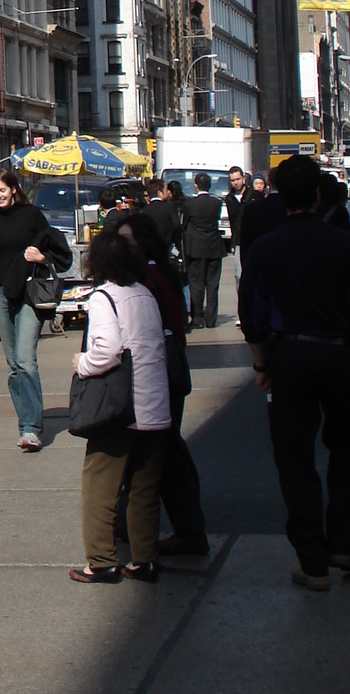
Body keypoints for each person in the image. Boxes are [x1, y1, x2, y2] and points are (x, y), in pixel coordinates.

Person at [239, 153, 350, 591]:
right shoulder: (344, 244)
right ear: (320, 194)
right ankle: (344, 540)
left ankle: (313, 559)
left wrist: (261, 364)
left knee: (295, 457)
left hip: (290, 357)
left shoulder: (267, 248)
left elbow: (252, 311)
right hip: (342, 354)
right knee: (346, 450)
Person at [69, 230, 171, 584]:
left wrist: (82, 362)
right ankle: (145, 559)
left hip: (120, 407)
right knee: (144, 488)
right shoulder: (145, 293)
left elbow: (108, 350)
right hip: (155, 403)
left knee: (100, 482)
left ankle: (101, 560)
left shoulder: (103, 298)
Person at [120, 214, 209, 557]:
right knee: (165, 449)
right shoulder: (161, 274)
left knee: (164, 451)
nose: (123, 249)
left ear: (142, 244)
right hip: (171, 368)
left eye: (127, 242)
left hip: (161, 372)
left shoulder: (149, 278)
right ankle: (178, 525)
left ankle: (185, 527)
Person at [0, 168, 71, 452]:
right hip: (1, 293)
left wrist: (41, 256)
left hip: (29, 292)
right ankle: (26, 421)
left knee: (26, 359)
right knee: (14, 366)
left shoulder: (31, 217)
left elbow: (60, 254)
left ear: (14, 189)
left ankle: (31, 429)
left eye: (2, 190)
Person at [181, 173, 224, 330]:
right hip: (214, 246)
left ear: (196, 185)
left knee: (196, 283)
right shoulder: (216, 203)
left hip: (196, 248)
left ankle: (198, 316)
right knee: (212, 283)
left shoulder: (190, 204)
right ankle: (211, 318)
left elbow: (185, 224)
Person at [224, 167, 252, 290]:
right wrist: (233, 243)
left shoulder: (252, 195)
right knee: (239, 275)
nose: (236, 183)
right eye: (233, 180)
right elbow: (233, 222)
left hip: (253, 239)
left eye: (238, 179)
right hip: (239, 241)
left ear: (244, 178)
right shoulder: (229, 198)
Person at [144, 178, 183, 259]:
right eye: (165, 190)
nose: (168, 192)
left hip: (150, 249)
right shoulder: (169, 207)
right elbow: (176, 225)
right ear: (159, 193)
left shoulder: (145, 210)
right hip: (167, 246)